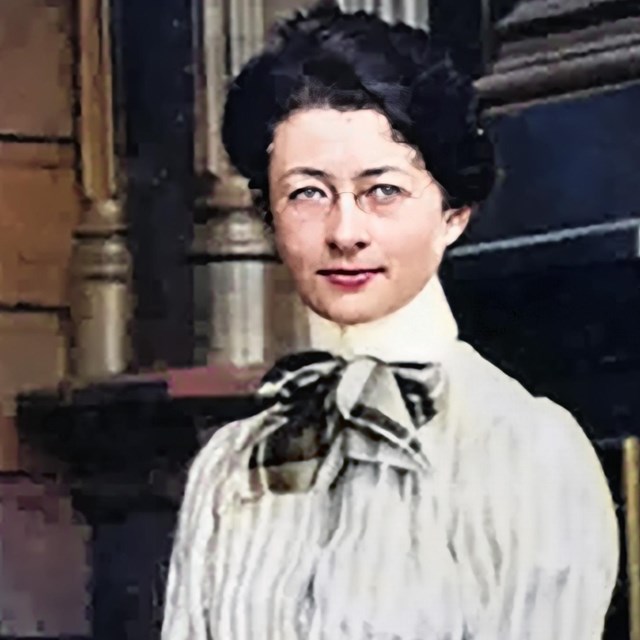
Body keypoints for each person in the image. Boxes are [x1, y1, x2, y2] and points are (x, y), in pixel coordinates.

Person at [162, 2, 619, 638]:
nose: (345, 233)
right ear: (268, 214)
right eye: (308, 194)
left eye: (383, 192)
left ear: (453, 212)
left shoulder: (526, 452)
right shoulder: (229, 467)